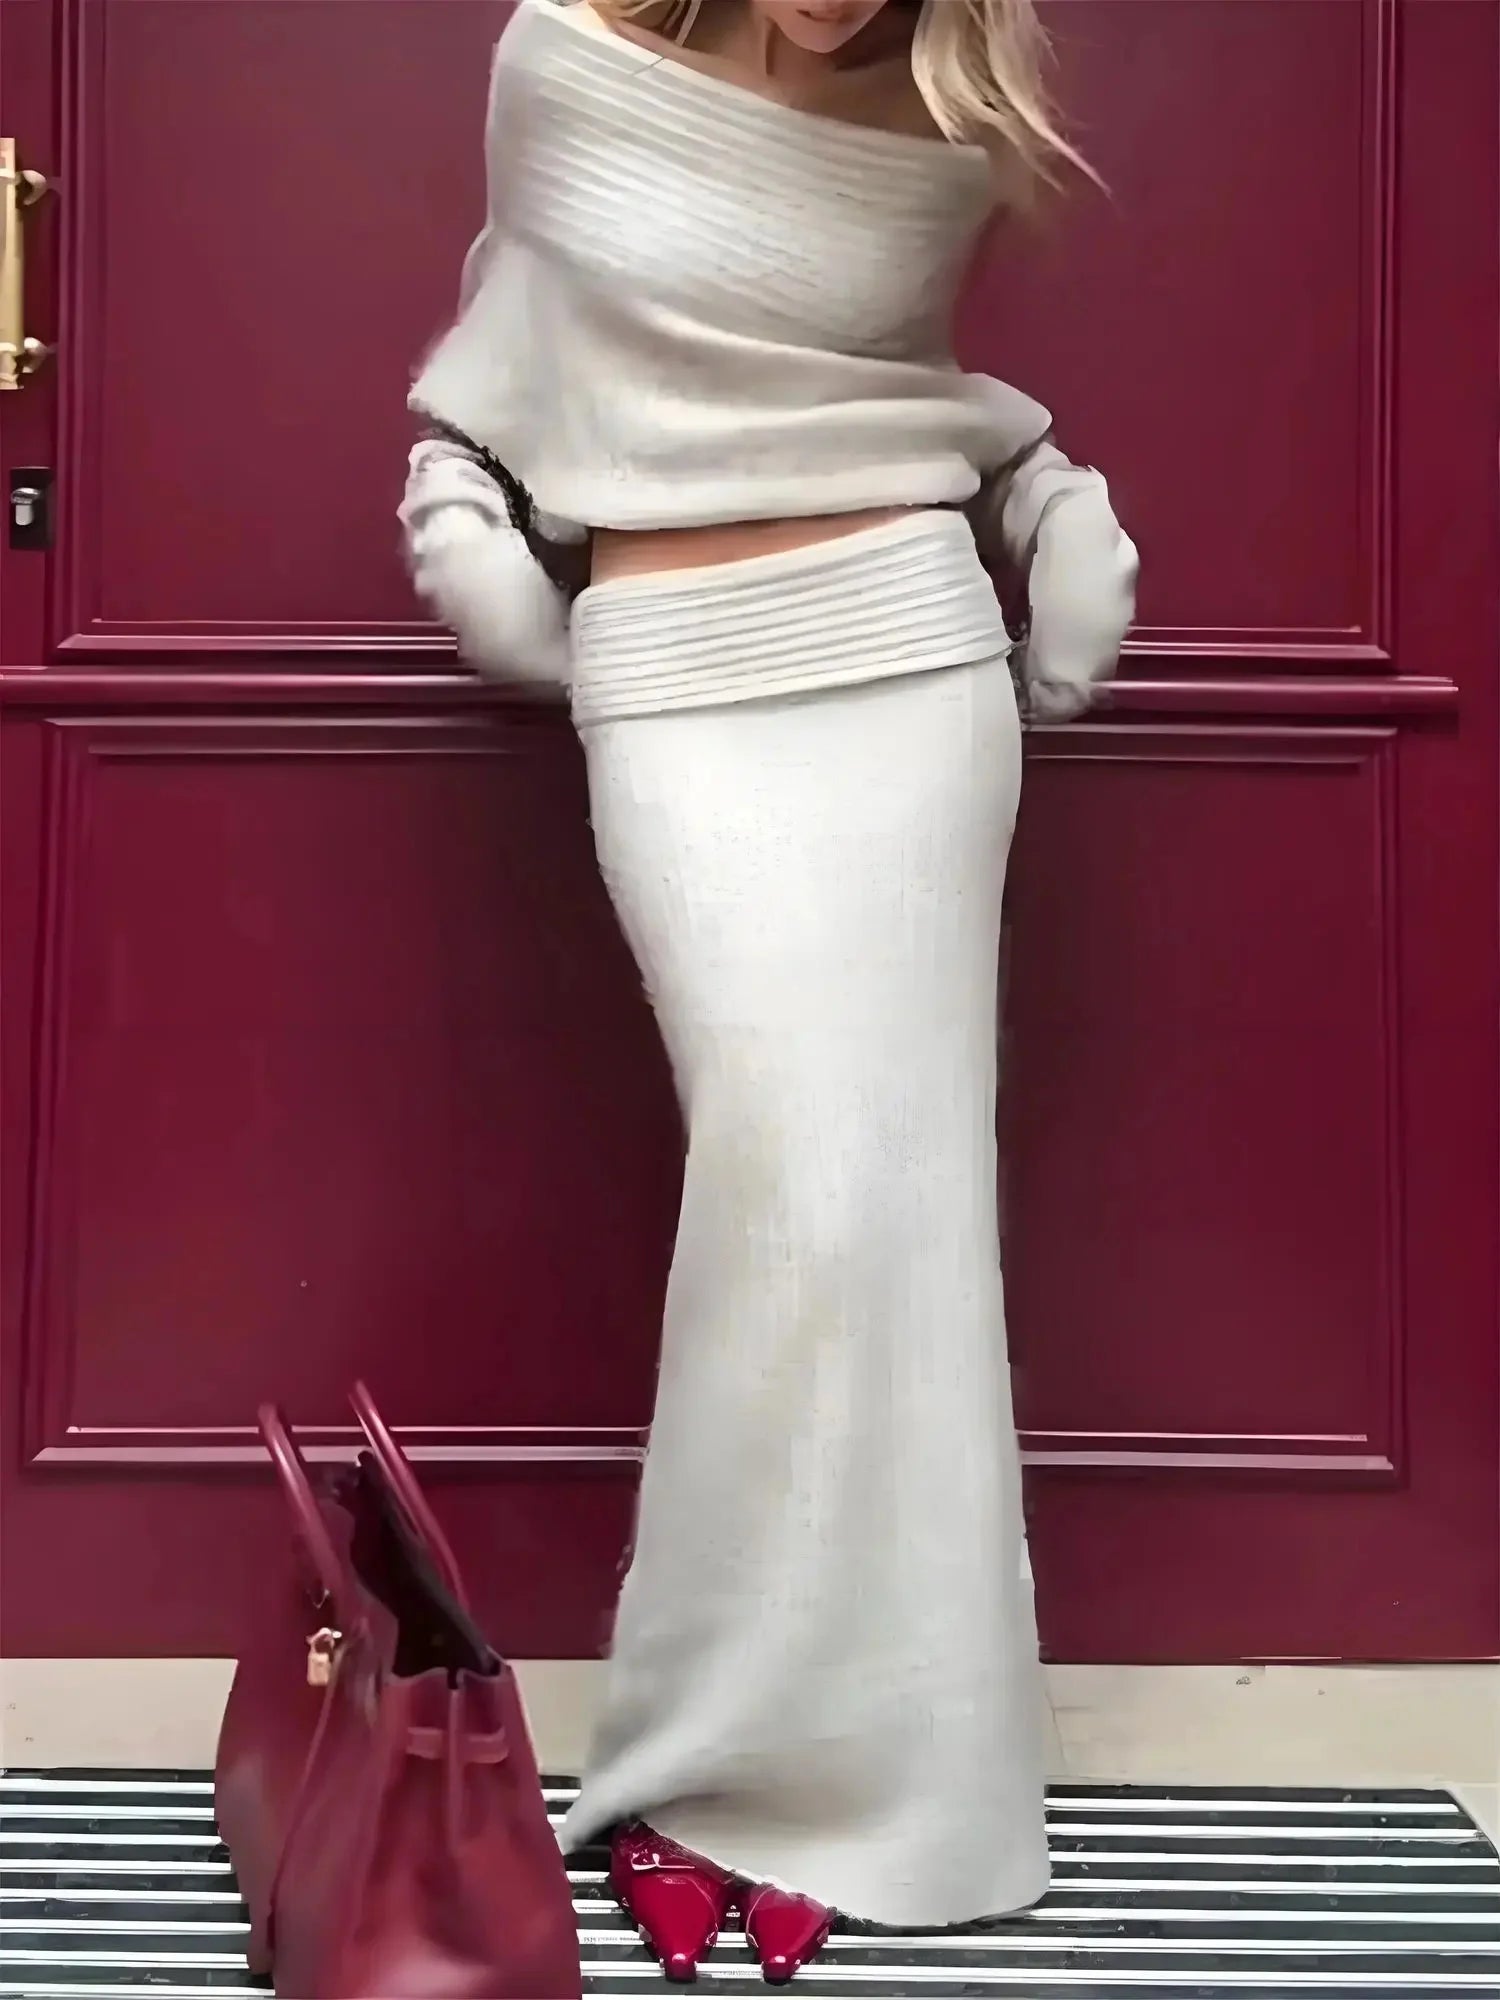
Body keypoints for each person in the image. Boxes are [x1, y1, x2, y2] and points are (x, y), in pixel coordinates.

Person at [401, 0, 1137, 1983]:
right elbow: (508, 359)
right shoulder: (564, 59)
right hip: (676, 680)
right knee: (781, 1208)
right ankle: (717, 1764)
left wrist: (1050, 499)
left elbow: (905, 394)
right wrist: (465, 531)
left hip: (908, 661)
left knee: (899, 1234)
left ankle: (870, 1781)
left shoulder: (953, 108)